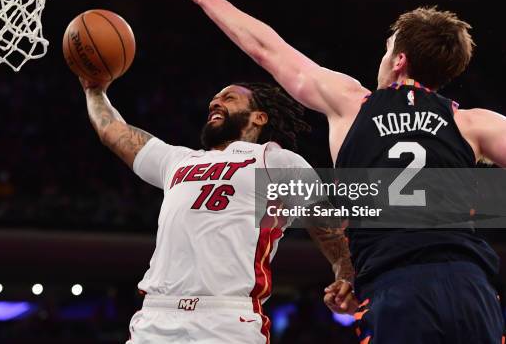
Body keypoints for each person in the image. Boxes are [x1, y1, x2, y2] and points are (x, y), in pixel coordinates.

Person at [163, 0, 506, 343]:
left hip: (398, 290)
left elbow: (268, 50)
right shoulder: (472, 123)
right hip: (472, 287)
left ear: (399, 60)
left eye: (386, 50)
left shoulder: (352, 103)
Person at [80, 78, 354, 344]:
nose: (215, 103)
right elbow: (113, 131)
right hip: (156, 315)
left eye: (229, 98)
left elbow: (327, 225)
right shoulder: (178, 160)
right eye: (214, 101)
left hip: (227, 318)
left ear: (259, 117)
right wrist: (94, 89)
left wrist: (345, 275)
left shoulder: (276, 160)